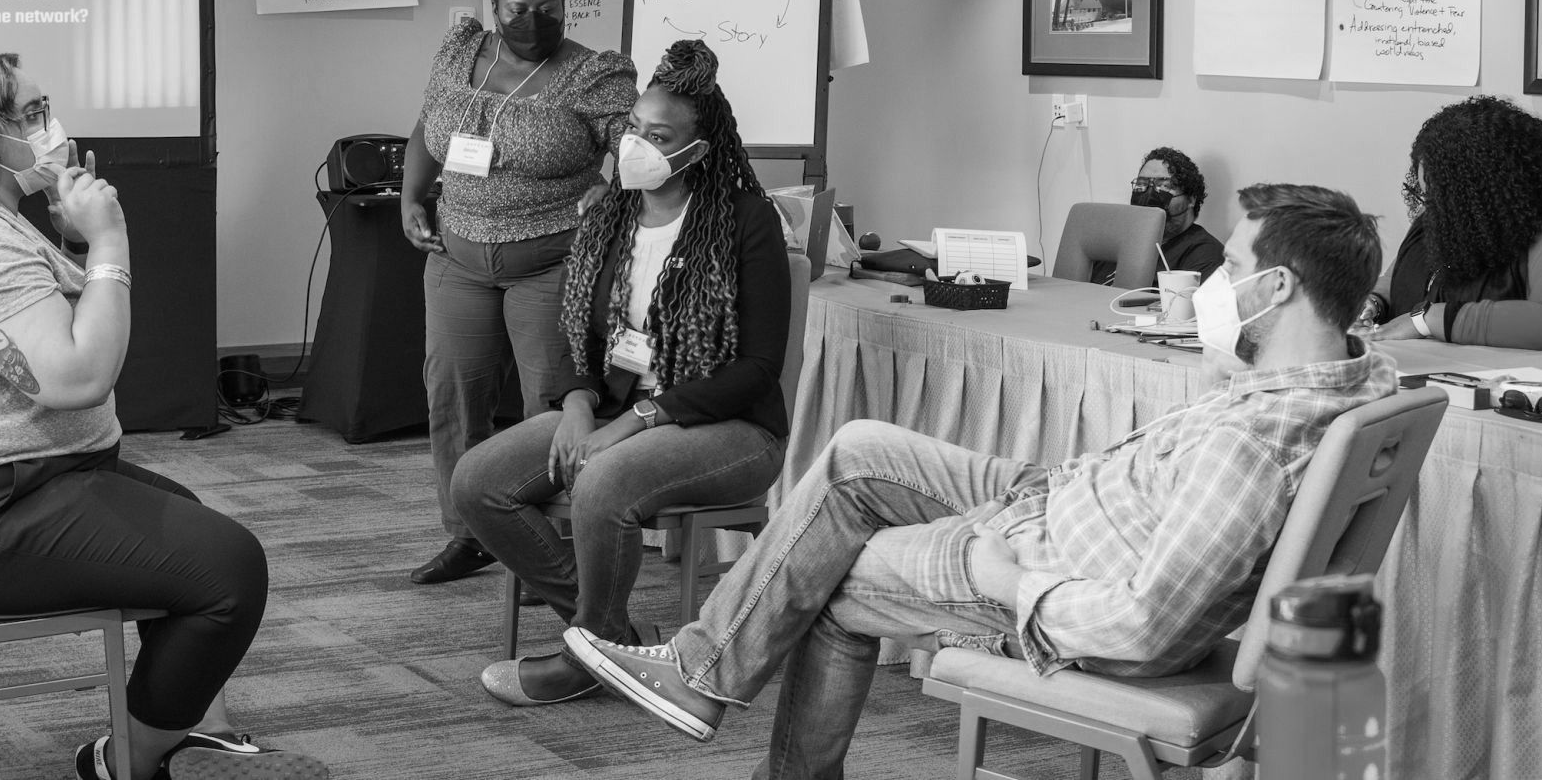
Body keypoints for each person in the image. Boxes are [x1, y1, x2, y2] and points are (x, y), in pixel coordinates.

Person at [563, 184, 1396, 778]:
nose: (1215, 280)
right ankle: (701, 668)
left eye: (1235, 263)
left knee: (833, 569)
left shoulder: (1248, 447)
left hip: (1046, 566)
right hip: (1056, 503)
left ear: (1278, 286)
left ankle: (706, 681)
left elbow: (1146, 625)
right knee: (854, 449)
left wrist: (1012, 579)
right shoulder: (1346, 382)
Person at [0, 53, 322, 780]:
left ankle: (187, 723)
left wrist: (73, 239)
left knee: (188, 520)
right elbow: (78, 375)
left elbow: (42, 320)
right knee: (230, 571)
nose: (51, 126)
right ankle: (123, 761)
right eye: (32, 114)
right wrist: (108, 241)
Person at [451, 40, 790, 707]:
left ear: (700, 147)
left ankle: (586, 656)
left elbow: (758, 367)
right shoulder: (610, 212)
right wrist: (578, 405)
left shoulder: (747, 222)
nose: (637, 143)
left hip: (728, 427)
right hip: (612, 411)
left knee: (603, 481)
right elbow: (577, 332)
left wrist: (636, 421)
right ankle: (613, 639)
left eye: (658, 135)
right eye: (634, 127)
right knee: (477, 482)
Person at [401, 0, 640, 585]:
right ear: (493, 6)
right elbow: (430, 127)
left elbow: (640, 148)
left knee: (549, 408)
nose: (533, 20)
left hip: (552, 261)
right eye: (517, 10)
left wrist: (610, 189)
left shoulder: (591, 75)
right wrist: (410, 198)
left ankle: (548, 546)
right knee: (453, 394)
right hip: (457, 254)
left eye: (548, 9)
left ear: (566, 5)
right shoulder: (459, 54)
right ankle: (469, 533)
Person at [1368, 95, 1542, 349]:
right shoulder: (1443, 212)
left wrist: (1429, 320)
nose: (1428, 205)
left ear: (1485, 191)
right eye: (1425, 194)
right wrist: (1374, 301)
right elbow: (1401, 276)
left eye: (1441, 196)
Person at [1095, 146, 1224, 284]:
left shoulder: (1205, 254)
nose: (1149, 194)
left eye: (1164, 186)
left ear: (1191, 199)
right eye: (1142, 184)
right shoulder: (1118, 242)